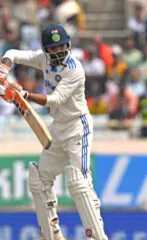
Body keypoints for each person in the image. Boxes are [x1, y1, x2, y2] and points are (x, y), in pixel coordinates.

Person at [0, 24, 107, 239]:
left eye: (61, 47)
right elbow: (13, 53)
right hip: (58, 129)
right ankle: (52, 233)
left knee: (79, 182)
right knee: (39, 179)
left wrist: (21, 94)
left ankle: (97, 236)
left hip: (78, 127)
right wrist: (4, 68)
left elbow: (55, 100)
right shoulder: (43, 59)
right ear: (46, 49)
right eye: (53, 49)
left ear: (68, 45)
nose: (58, 52)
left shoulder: (74, 69)